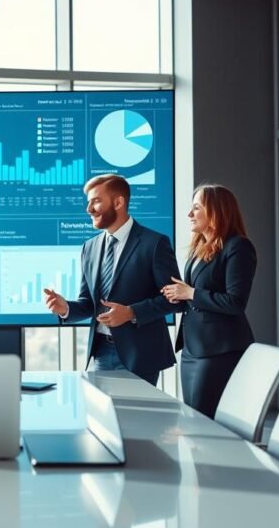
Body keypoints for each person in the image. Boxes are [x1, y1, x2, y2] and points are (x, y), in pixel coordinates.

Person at [43, 174, 180, 385]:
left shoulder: (154, 243)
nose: (89, 209)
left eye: (96, 201)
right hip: (101, 352)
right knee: (106, 418)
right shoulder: (90, 247)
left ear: (118, 202)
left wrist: (131, 313)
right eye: (88, 202)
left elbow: (175, 299)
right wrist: (65, 309)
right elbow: (89, 304)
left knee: (136, 418)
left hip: (140, 355)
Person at [161, 184, 257, 419]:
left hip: (219, 351)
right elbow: (193, 296)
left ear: (216, 211)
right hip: (193, 348)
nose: (189, 214)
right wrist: (176, 294)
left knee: (204, 420)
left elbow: (235, 302)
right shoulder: (199, 249)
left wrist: (190, 293)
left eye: (196, 208)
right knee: (193, 415)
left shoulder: (238, 247)